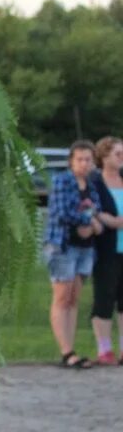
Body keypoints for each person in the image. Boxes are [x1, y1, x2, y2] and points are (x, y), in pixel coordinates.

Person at [45, 139, 103, 369]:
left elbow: (95, 206)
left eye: (88, 159)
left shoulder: (91, 184)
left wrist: (92, 222)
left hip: (85, 247)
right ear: (71, 161)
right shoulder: (62, 181)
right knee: (61, 295)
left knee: (74, 298)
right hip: (63, 245)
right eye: (80, 159)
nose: (84, 164)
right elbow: (61, 211)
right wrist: (88, 220)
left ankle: (72, 346)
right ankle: (65, 351)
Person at [89, 136, 123, 365]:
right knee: (104, 296)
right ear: (104, 156)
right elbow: (91, 208)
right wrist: (112, 221)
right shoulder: (96, 181)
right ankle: (104, 348)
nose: (121, 158)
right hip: (107, 247)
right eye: (117, 154)